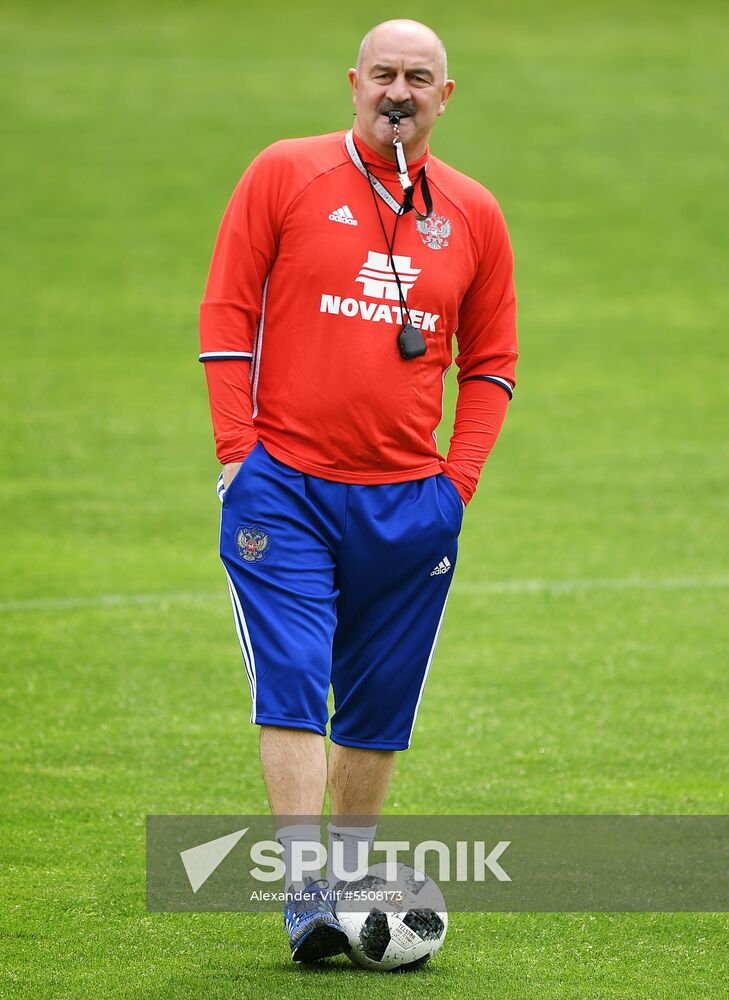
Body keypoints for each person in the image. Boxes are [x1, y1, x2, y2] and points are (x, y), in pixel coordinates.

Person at [199, 18, 517, 962]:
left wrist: (454, 485)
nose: (399, 91)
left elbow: (492, 361)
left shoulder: (474, 213)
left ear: (444, 97)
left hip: (408, 506)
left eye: (419, 77)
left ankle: (351, 878)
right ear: (352, 82)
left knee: (377, 705)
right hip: (283, 489)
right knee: (293, 683)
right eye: (384, 73)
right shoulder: (284, 173)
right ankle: (305, 896)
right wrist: (235, 448)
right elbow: (227, 309)